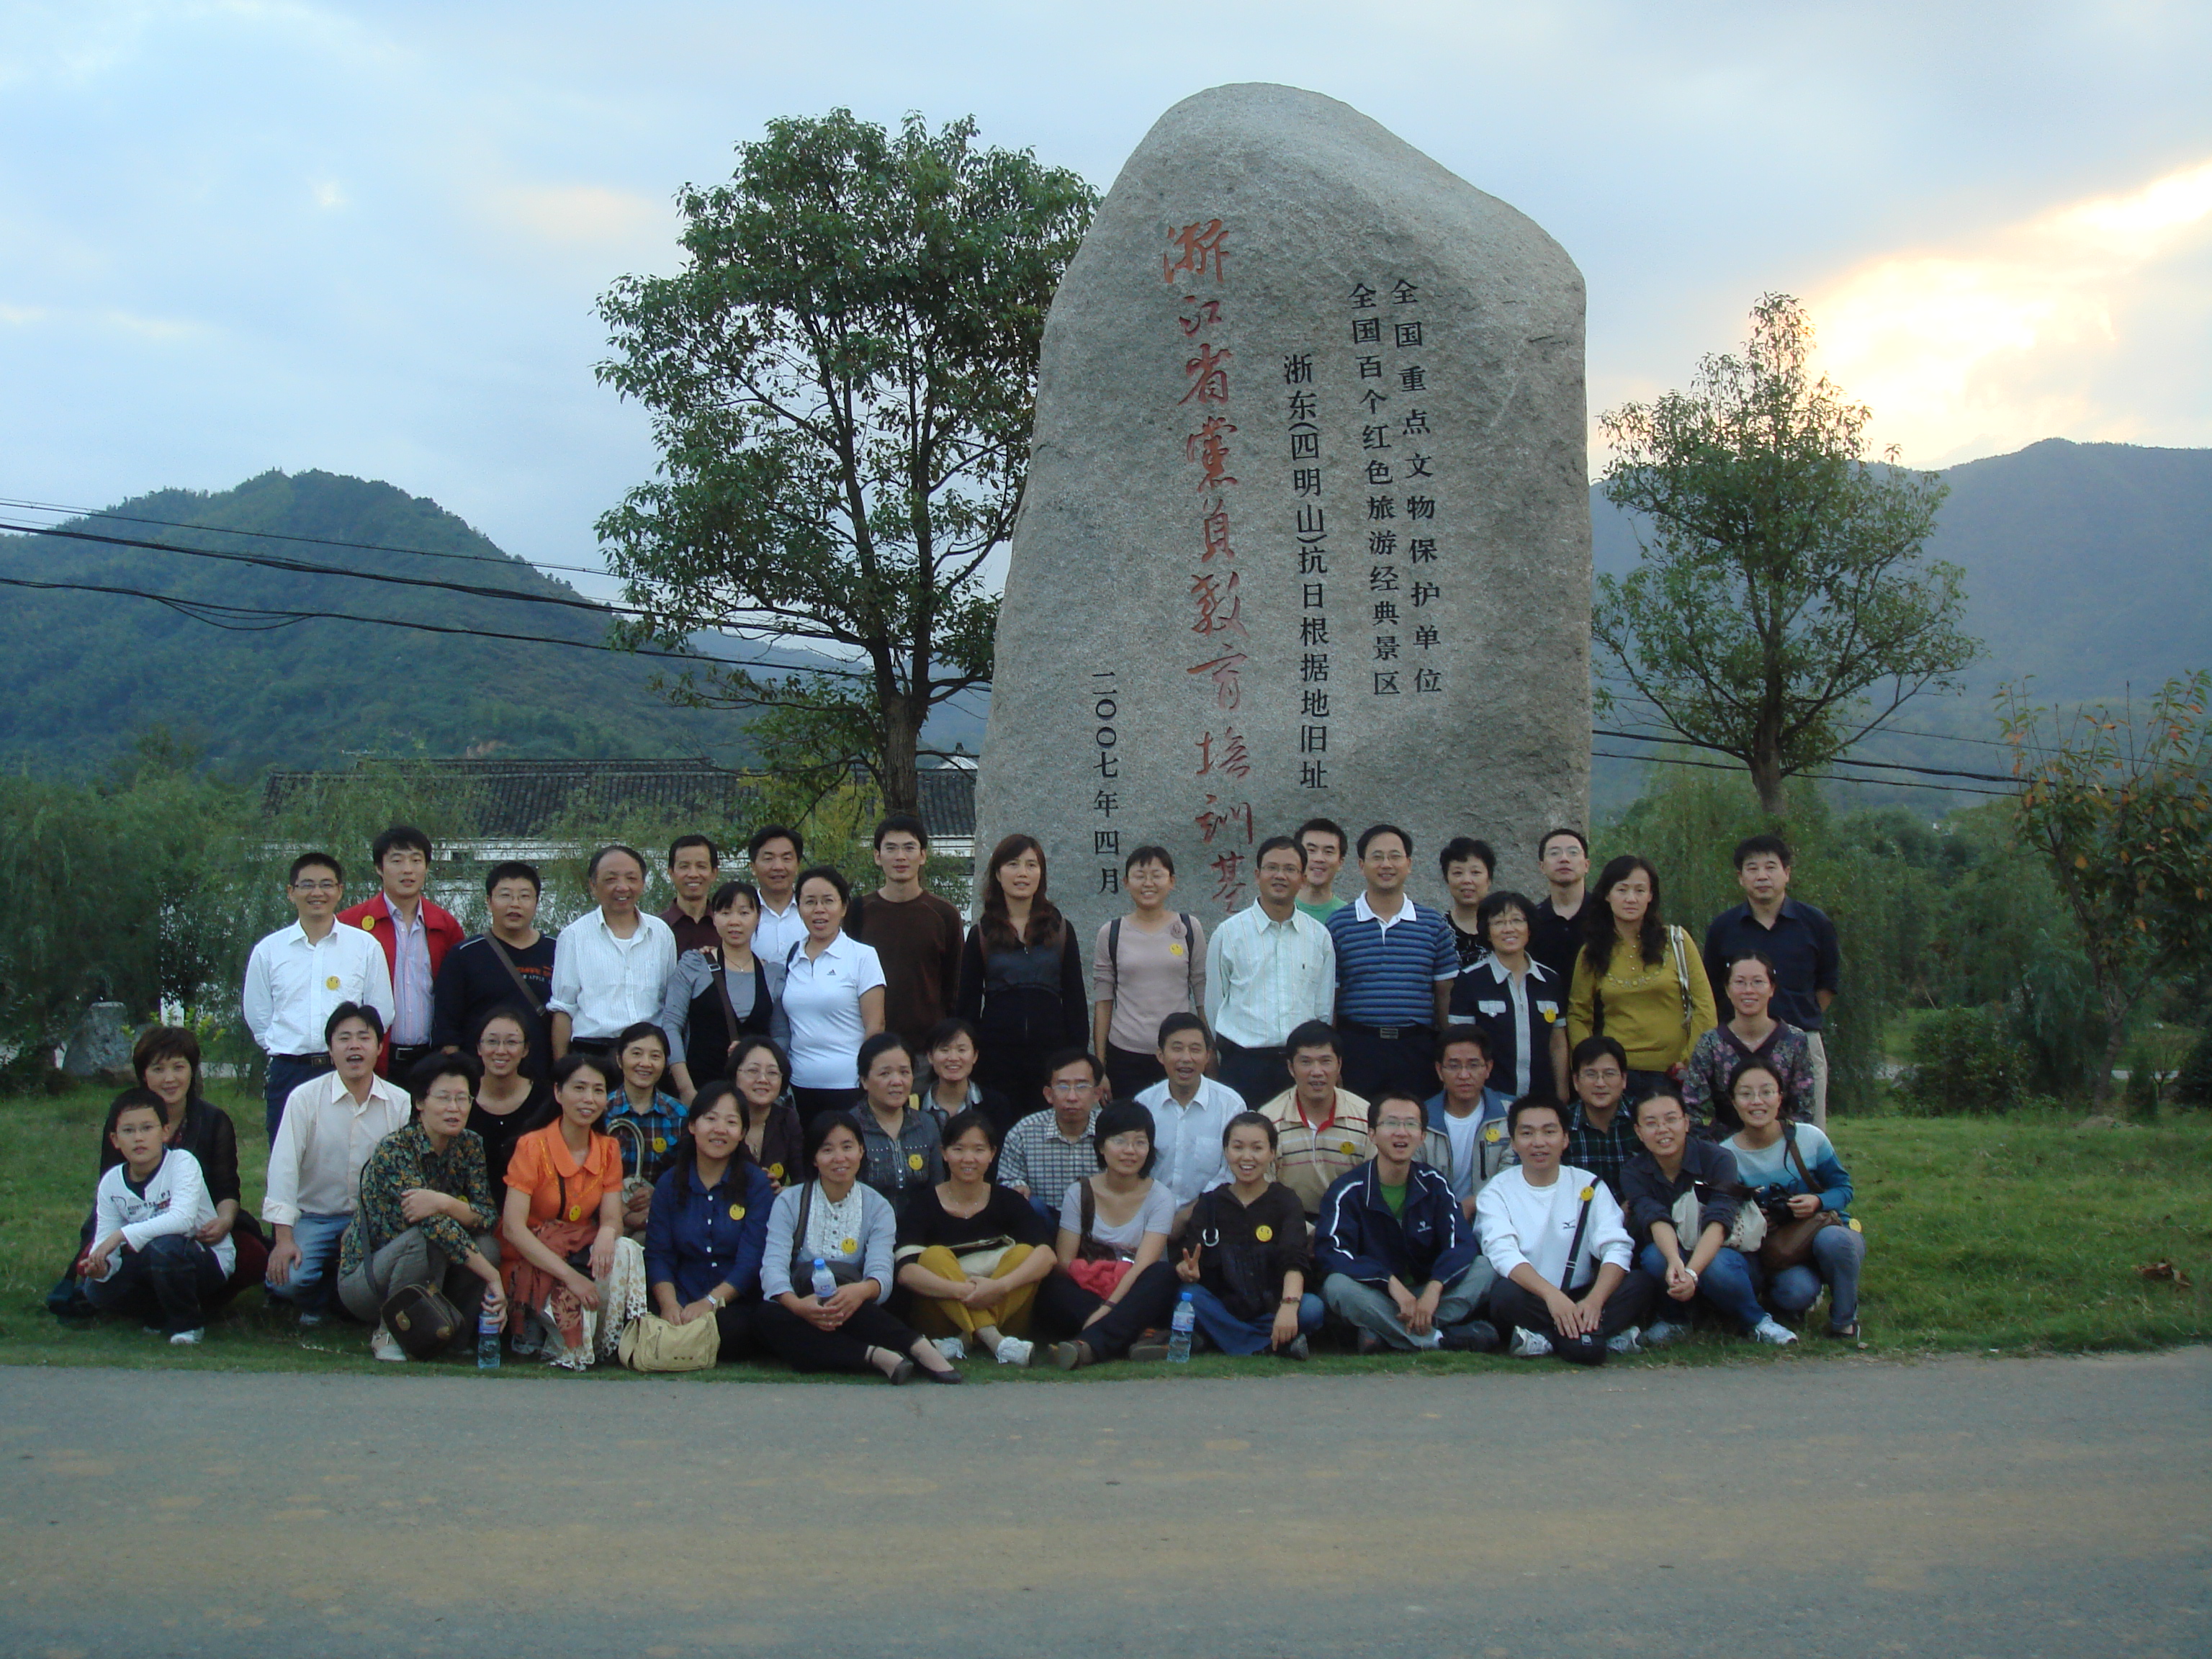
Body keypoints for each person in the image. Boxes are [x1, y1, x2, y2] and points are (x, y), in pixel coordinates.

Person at [754, 1111, 962, 1382]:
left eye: (847, 1147)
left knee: (859, 1308)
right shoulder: (789, 1201)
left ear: (862, 1151)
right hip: (804, 1300)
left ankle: (918, 1347)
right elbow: (773, 1265)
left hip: (857, 1302)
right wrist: (798, 1306)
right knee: (768, 1316)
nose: (839, 1158)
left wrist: (860, 1292)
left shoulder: (878, 1207)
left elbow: (881, 1271)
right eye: (827, 1150)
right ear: (814, 1158)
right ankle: (876, 1356)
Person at [336, 1053, 503, 1362]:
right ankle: (389, 1333)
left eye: (462, 1098)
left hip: (433, 1270)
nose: (454, 1108)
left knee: (487, 1246)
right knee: (423, 1238)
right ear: (420, 1103)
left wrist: (444, 1202)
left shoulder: (470, 1145)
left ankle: (452, 1337)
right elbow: (435, 1227)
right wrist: (493, 1276)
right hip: (369, 1280)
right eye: (444, 1098)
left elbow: (486, 1218)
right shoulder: (395, 1150)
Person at [1478, 1095, 1657, 1363]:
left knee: (1639, 1283)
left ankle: (1546, 1339)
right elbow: (1503, 1254)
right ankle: (1597, 1337)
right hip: (1533, 1295)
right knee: (1505, 1296)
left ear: (1565, 1139)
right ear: (1513, 1142)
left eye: (1549, 1132)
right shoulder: (1497, 1191)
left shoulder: (1589, 1185)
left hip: (1583, 1294)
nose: (1539, 1142)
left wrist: (1595, 1301)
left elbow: (1616, 1246)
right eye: (1527, 1133)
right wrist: (1552, 1296)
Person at [1314, 1092, 1497, 1352]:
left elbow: (1461, 1244)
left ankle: (1386, 1332)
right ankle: (1438, 1339)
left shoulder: (1434, 1183)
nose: (1401, 1132)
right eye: (1391, 1123)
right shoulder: (1348, 1190)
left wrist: (1435, 1288)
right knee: (1338, 1287)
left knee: (1485, 1267)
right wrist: (1388, 1282)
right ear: (1372, 1134)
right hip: (1377, 1294)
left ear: (1422, 1136)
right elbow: (1331, 1251)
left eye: (1411, 1124)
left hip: (1427, 1294)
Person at [262, 1004, 410, 1324]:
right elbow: (284, 1168)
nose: (354, 1046)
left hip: (373, 1220)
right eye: (344, 1038)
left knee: (397, 1270)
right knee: (288, 1280)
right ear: (330, 1050)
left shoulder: (400, 1103)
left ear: (379, 1047)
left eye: (364, 1038)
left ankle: (345, 1298)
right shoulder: (304, 1099)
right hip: (314, 1216)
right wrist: (283, 1240)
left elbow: (404, 1176)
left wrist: (365, 1228)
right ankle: (323, 1299)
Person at [499, 1052, 647, 1367]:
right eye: (579, 1088)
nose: (589, 1099)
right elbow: (513, 1228)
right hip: (533, 1261)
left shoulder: (608, 1148)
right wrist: (570, 1278)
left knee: (626, 1248)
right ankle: (541, 1330)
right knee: (570, 1347)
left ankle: (611, 1344)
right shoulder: (531, 1146)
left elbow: (612, 1218)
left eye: (598, 1090)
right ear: (558, 1093)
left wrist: (608, 1232)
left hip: (580, 1252)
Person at [1620, 1089, 1795, 1346]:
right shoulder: (1633, 1172)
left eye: (1671, 1119)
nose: (1662, 1129)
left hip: (1726, 1254)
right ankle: (1674, 1320)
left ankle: (1757, 1321)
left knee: (1718, 1264)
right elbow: (1654, 1217)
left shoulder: (1718, 1158)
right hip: (1676, 1251)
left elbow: (1720, 1220)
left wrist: (1692, 1272)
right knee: (1654, 1257)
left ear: (1686, 1122)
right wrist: (1675, 1262)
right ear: (1638, 1131)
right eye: (1651, 1123)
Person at [243, 850, 394, 1143]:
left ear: (340, 891)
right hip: (289, 1072)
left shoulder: (364, 947)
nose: (317, 893)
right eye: (307, 885)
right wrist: (283, 1045)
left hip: (347, 1070)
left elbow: (381, 1013)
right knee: (289, 1156)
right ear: (291, 892)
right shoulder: (269, 950)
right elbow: (258, 1016)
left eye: (326, 885)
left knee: (351, 1153)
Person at [104, 1025, 263, 1301]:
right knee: (99, 1266)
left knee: (253, 1254)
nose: (170, 1079)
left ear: (192, 1071)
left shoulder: (214, 1120)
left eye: (179, 1067)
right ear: (143, 1075)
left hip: (200, 1220)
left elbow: (226, 1187)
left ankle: (203, 1296)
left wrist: (224, 1221)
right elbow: (112, 1183)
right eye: (158, 1069)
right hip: (137, 1217)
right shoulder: (123, 1120)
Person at [893, 1109, 1058, 1367]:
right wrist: (963, 1291)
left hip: (1006, 1310)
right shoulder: (923, 1205)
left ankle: (965, 1340)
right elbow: (906, 1273)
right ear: (944, 1153)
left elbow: (1047, 1256)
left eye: (979, 1150)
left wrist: (998, 1287)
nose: (968, 1158)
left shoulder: (1009, 1201)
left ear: (992, 1154)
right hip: (942, 1320)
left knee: (1026, 1254)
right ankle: (994, 1340)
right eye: (958, 1149)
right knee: (934, 1256)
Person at [1704, 835, 1843, 1127]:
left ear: (1787, 873)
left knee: (1807, 1133)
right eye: (1752, 868)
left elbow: (1827, 985)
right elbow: (1713, 989)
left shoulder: (1815, 923)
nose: (1762, 876)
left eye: (1771, 867)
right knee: (1738, 1131)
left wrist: (1795, 1022)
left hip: (1802, 1042)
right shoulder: (1723, 928)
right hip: (1739, 1044)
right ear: (1740, 878)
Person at [1722, 1059, 1865, 1339]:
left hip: (1825, 1230)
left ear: (1780, 1097)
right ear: (1733, 1101)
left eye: (1766, 1092)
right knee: (1794, 1293)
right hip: (1781, 1250)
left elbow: (1843, 1189)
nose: (1757, 1102)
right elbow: (1726, 1213)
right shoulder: (1726, 1156)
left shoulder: (1810, 1138)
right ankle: (1798, 1296)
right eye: (1746, 1094)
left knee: (1837, 1242)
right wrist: (1756, 1220)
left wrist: (1817, 1202)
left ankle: (1844, 1321)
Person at [1037, 1099, 1181, 1371]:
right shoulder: (1079, 1193)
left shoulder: (1161, 1197)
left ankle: (1088, 1346)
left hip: (1137, 1290)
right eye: (1120, 1141)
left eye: (1140, 1142)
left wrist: (1107, 1309)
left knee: (1162, 1275)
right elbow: (1065, 1263)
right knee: (1051, 1286)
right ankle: (1140, 1336)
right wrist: (1100, 1288)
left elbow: (1143, 1265)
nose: (1130, 1151)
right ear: (1102, 1146)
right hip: (1091, 1288)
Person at [80, 1090, 233, 1344]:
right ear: (115, 1140)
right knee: (95, 1289)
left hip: (204, 1258)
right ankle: (157, 1314)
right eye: (128, 1131)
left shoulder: (182, 1163)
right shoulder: (111, 1182)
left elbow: (182, 1220)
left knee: (166, 1247)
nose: (138, 1138)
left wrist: (120, 1236)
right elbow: (105, 1241)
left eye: (147, 1128)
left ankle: (188, 1325)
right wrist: (101, 1266)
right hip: (150, 1259)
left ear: (165, 1132)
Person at [644, 1081, 777, 1361]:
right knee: (647, 1315)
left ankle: (684, 1344)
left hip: (733, 1302)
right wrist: (669, 1305)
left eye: (731, 1122)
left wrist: (710, 1302)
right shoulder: (669, 1184)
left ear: (742, 1133)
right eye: (711, 1119)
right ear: (693, 1126)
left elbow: (751, 1260)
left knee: (735, 1330)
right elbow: (658, 1254)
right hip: (680, 1293)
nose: (720, 1129)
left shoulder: (755, 1184)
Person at [1566, 855, 1717, 1102]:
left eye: (1640, 890)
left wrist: (1689, 1060)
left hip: (1674, 1073)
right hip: (1617, 1076)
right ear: (1607, 895)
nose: (1631, 899)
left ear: (1650, 896)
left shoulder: (1676, 941)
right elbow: (1578, 1013)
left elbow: (1705, 1007)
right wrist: (1592, 1064)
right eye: (1622, 890)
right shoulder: (1592, 951)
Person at [1173, 1112, 1323, 1359]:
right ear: (1226, 1151)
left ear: (1272, 1153)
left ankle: (1223, 1337)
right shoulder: (1210, 1203)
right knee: (1188, 1297)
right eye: (1238, 1147)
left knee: (1311, 1309)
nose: (1246, 1157)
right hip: (1224, 1308)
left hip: (1273, 1308)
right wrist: (1187, 1270)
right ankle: (1270, 1344)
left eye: (1257, 1148)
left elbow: (1294, 1260)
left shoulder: (1286, 1200)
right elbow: (1190, 1259)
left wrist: (1288, 1306)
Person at [1327, 824, 1458, 1102]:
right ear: (1361, 866)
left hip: (1417, 1049)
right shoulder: (1339, 924)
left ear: (1408, 864)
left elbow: (1445, 993)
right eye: (1377, 857)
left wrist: (1451, 1053)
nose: (1386, 864)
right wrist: (1332, 1056)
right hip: (1358, 1049)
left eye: (1395, 856)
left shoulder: (1433, 924)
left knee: (1415, 1122)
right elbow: (1332, 997)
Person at [958, 833, 1088, 1112]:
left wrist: (1078, 1059)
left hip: (1051, 1059)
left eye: (1031, 865)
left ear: (1041, 873)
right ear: (998, 874)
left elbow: (1076, 1002)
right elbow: (967, 1007)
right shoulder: (982, 934)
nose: (1022, 873)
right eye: (1013, 864)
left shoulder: (1061, 930)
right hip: (996, 1061)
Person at [1205, 835, 1337, 1110]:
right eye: (1272, 868)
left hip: (1300, 1067)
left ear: (1303, 878)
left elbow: (1323, 1008)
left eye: (1290, 869)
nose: (1280, 876)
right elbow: (1215, 1005)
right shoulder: (1229, 934)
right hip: (1243, 1064)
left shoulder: (1319, 937)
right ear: (1257, 875)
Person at [337, 824, 464, 1078]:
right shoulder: (350, 924)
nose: (408, 869)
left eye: (416, 860)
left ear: (426, 867)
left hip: (432, 1059)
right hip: (373, 1059)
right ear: (379, 868)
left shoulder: (445, 925)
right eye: (397, 861)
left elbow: (458, 993)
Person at [1091, 845, 1208, 1099]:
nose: (1148, 883)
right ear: (1126, 882)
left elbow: (1202, 995)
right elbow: (1103, 1003)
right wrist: (1100, 1066)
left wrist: (1210, 1053)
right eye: (1139, 876)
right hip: (1125, 1054)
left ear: (1172, 881)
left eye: (1157, 875)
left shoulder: (1189, 928)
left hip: (1178, 1054)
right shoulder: (1111, 933)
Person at [845, 813, 966, 1048]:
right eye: (891, 848)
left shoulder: (944, 915)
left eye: (909, 848)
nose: (900, 857)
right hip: (871, 1044)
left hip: (929, 1047)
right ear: (877, 856)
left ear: (923, 856)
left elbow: (955, 986)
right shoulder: (857, 912)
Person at [658, 878, 785, 1102]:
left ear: (758, 917)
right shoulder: (694, 965)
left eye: (744, 913)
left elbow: (781, 1035)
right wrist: (686, 1089)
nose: (735, 921)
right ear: (714, 918)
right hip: (702, 1091)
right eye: (726, 913)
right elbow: (671, 1025)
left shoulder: (773, 974)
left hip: (756, 1097)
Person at [547, 845, 678, 1061]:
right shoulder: (574, 936)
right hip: (593, 1054)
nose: (622, 887)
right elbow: (563, 1009)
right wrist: (562, 1071)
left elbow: (669, 1003)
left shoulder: (661, 933)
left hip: (649, 1053)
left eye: (631, 878)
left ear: (643, 883)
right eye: (611, 879)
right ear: (593, 885)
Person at [433, 862, 556, 1083]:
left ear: (537, 902)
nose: (515, 904)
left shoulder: (557, 951)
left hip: (542, 1079)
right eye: (505, 895)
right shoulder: (464, 954)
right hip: (479, 1080)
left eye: (525, 896)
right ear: (489, 901)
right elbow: (447, 1028)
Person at [779, 865, 887, 1114]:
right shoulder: (792, 957)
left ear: (843, 907)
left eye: (828, 901)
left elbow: (875, 1026)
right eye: (810, 902)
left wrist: (866, 1077)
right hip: (798, 1085)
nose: (819, 910)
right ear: (799, 908)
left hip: (849, 1086)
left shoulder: (862, 956)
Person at [1450, 889, 1570, 1105]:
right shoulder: (1470, 980)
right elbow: (1459, 1045)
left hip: (1541, 1098)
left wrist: (1562, 1092)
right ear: (1487, 932)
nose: (1509, 929)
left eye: (1517, 920)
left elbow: (1557, 1042)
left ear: (1529, 928)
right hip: (1489, 1099)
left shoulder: (1550, 980)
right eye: (1498, 922)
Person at [1683, 950, 1817, 1136]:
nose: (1748, 990)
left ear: (1772, 988)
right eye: (1740, 982)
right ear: (1728, 989)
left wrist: (1787, 1142)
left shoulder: (1794, 1040)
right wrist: (1708, 1147)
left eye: (1758, 982)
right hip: (1724, 1144)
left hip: (1780, 1142)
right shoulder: (1711, 1042)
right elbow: (1691, 1106)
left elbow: (1804, 1108)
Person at [1258, 1021, 1372, 1218]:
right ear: (1291, 1068)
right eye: (1306, 1062)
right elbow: (1264, 1192)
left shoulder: (1365, 1117)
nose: (1317, 1072)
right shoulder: (1269, 1120)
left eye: (1325, 1061)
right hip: (1289, 1221)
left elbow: (1374, 1187)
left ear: (1339, 1065)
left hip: (1353, 1219)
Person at [1135, 1013, 1241, 1217]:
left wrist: (1187, 1217)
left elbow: (1231, 1173)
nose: (1186, 1058)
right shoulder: (1143, 1104)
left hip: (1212, 1215)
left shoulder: (1230, 1105)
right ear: (1160, 1055)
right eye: (1177, 1049)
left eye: (1195, 1049)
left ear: (1208, 1056)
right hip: (1148, 1215)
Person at [997, 1048, 1105, 1223]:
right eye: (1063, 1086)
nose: (1072, 1097)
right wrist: (1017, 1188)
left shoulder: (1111, 1129)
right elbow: (1007, 1180)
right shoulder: (1023, 1131)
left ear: (1097, 1094)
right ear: (1048, 1094)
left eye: (1081, 1086)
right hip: (1043, 1223)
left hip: (1101, 1220)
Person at [602, 1020, 686, 1233]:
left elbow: (687, 1173)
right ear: (619, 1060)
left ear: (665, 1063)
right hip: (604, 1217)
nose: (645, 1063)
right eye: (636, 1054)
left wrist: (658, 1194)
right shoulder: (601, 1110)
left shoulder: (679, 1114)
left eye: (655, 1056)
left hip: (661, 1216)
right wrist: (624, 1213)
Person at [849, 1032, 944, 1220]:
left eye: (904, 1072)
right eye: (885, 1074)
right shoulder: (849, 1128)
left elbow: (937, 1188)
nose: (897, 1081)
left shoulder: (926, 1124)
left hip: (920, 1228)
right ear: (864, 1080)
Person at [1424, 1026, 1514, 1220]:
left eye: (1473, 1065)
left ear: (1488, 1068)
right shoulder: (1420, 1118)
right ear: (1439, 1070)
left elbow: (1514, 1176)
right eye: (1454, 1066)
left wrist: (1474, 1203)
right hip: (1434, 1220)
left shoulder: (1512, 1115)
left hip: (1498, 1217)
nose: (1464, 1075)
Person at [466, 1007, 550, 1189]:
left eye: (511, 1042)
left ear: (525, 1049)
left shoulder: (545, 1101)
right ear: (479, 1048)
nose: (501, 1050)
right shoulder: (462, 1097)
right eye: (492, 1041)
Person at [1563, 1035, 1640, 1201]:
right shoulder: (1561, 1125)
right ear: (1576, 1081)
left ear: (1624, 1079)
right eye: (1591, 1074)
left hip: (1640, 1211)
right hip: (1580, 1213)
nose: (1600, 1083)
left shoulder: (1643, 1118)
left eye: (1609, 1074)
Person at [729, 1035, 805, 1191]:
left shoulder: (787, 1120)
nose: (763, 1079)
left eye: (772, 1073)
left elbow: (802, 1179)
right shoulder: (721, 1119)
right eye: (753, 1071)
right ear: (735, 1075)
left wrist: (787, 1194)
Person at [917, 1017, 1012, 1130]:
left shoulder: (996, 1105)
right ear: (930, 1057)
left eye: (961, 1050)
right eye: (945, 1050)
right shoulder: (915, 1106)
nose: (953, 1058)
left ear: (975, 1056)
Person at [1528, 827, 1590, 992]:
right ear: (1542, 866)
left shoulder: (1607, 914)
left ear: (1586, 865)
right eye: (1554, 853)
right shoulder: (1531, 920)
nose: (1564, 859)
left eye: (1573, 853)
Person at [745, 824, 808, 969]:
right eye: (768, 859)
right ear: (753, 867)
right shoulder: (740, 914)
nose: (778, 867)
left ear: (798, 865)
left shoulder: (814, 912)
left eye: (786, 858)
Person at [1439, 835, 1497, 971]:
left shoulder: (1503, 928)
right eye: (1458, 873)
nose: (1467, 880)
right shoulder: (1438, 929)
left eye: (1475, 872)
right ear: (1447, 879)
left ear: (1489, 879)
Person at [660, 833, 722, 955]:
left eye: (701, 866)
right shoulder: (657, 929)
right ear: (671, 873)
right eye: (684, 867)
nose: (693, 874)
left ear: (714, 873)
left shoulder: (727, 928)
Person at [1294, 817, 1349, 922]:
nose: (1319, 859)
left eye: (1328, 852)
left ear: (1340, 862)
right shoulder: (1277, 910)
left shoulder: (1347, 917)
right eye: (1311, 850)